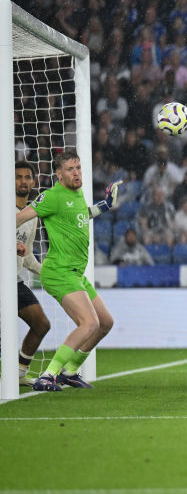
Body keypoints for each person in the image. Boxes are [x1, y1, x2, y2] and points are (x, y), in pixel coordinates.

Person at [16, 151, 121, 391]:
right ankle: (48, 375)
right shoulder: (52, 196)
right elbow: (18, 219)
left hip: (75, 273)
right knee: (89, 324)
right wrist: (14, 242)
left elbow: (81, 215)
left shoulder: (77, 193)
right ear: (59, 174)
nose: (76, 173)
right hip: (59, 271)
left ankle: (70, 371)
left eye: (78, 168)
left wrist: (104, 206)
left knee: (105, 322)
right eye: (70, 169)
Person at [12, 161, 51, 387]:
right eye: (18, 177)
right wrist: (10, 246)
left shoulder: (32, 216)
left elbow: (26, 257)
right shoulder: (3, 208)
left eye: (27, 177)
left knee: (41, 324)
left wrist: (47, 272)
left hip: (15, 283)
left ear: (34, 182)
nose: (23, 181)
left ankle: (18, 373)